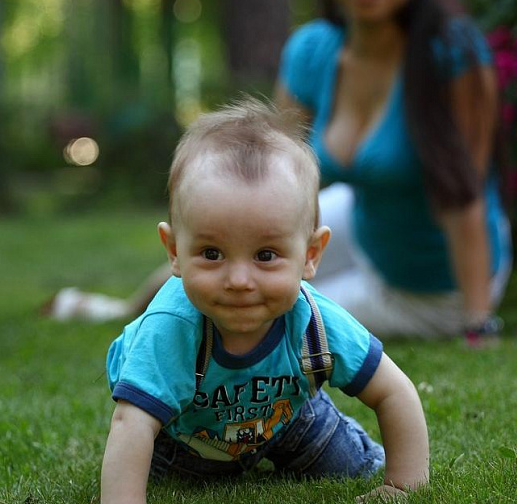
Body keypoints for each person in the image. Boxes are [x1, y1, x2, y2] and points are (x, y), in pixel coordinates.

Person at [46, 0, 510, 340]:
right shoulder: (314, 51)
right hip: (366, 217)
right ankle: (127, 309)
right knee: (232, 236)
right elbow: (273, 168)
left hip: (433, 280)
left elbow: (465, 192)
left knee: (258, 310)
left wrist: (477, 320)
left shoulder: (451, 51)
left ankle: (154, 318)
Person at [100, 98, 429, 503]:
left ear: (310, 255)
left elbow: (393, 391)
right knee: (150, 469)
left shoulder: (314, 322)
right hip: (182, 435)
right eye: (212, 254)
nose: (239, 281)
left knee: (351, 464)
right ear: (173, 250)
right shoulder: (172, 325)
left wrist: (402, 485)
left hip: (285, 419)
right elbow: (132, 424)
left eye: (266, 256)